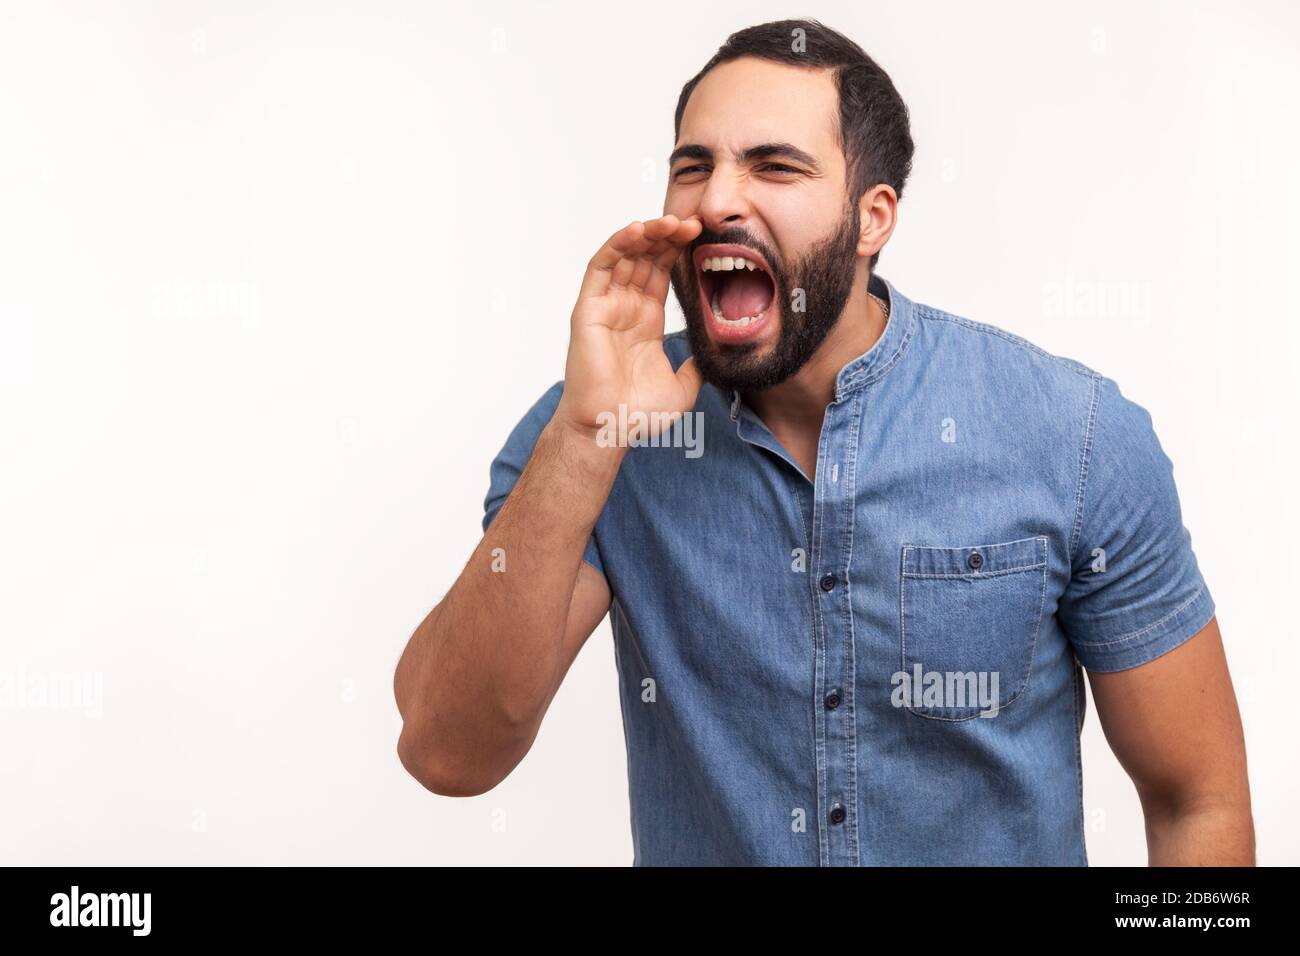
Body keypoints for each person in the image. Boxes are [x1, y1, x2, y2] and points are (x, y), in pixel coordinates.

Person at [394, 18, 1254, 866]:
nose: (718, 198)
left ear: (872, 216)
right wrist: (585, 435)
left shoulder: (1073, 435)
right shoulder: (594, 435)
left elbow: (1195, 801)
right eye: (693, 166)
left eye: (774, 166)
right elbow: (450, 752)